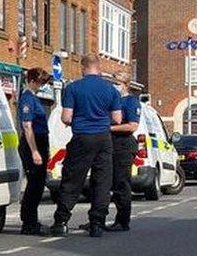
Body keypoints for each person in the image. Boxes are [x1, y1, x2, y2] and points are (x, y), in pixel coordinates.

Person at [50, 55, 122, 238]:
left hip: (82, 136)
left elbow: (66, 117)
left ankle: (61, 221)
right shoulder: (111, 90)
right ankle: (97, 223)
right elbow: (117, 119)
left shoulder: (73, 88)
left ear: (83, 67)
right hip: (104, 138)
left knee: (72, 179)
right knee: (102, 181)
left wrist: (78, 119)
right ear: (99, 68)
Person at [17, 68, 52, 235]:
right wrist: (35, 151)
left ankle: (32, 221)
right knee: (34, 185)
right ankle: (28, 223)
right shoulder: (27, 99)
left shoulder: (34, 98)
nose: (42, 86)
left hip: (40, 142)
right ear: (32, 81)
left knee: (38, 185)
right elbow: (27, 126)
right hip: (33, 143)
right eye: (41, 82)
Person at [104, 72, 140, 231]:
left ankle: (122, 220)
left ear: (125, 84)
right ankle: (98, 218)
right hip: (109, 144)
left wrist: (110, 127)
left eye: (116, 82)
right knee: (103, 183)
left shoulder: (131, 102)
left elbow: (132, 126)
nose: (113, 85)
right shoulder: (112, 100)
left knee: (121, 184)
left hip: (123, 145)